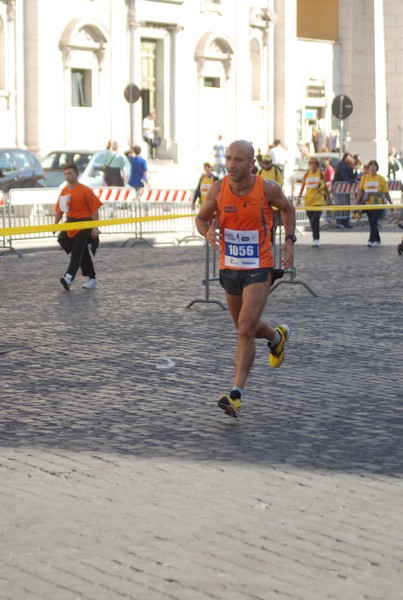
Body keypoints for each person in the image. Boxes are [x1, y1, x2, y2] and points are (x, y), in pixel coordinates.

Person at [195, 140, 296, 418]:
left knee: (244, 328)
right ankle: (276, 337)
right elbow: (201, 218)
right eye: (228, 158)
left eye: (238, 159)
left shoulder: (267, 188)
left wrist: (289, 240)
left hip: (259, 267)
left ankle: (236, 394)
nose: (231, 164)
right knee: (244, 327)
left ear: (251, 163)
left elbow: (287, 209)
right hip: (229, 268)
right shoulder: (218, 189)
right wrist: (206, 232)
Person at [55, 163, 102, 290]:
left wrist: (95, 227)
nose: (67, 176)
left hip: (85, 224)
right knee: (67, 243)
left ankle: (68, 278)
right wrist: (55, 224)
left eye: (70, 173)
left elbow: (94, 210)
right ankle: (92, 277)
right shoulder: (64, 191)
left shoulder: (85, 190)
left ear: (77, 174)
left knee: (77, 252)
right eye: (65, 174)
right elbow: (60, 210)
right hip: (70, 223)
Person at [355, 159, 392, 247]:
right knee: (372, 222)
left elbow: (386, 193)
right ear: (368, 168)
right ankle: (377, 239)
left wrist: (391, 202)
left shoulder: (381, 179)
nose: (372, 168)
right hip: (368, 204)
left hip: (378, 204)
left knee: (373, 221)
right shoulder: (364, 178)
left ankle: (371, 240)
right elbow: (361, 191)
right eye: (371, 166)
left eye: (374, 166)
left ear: (377, 168)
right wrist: (356, 202)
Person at [296, 156, 331, 247]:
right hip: (308, 201)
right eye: (311, 163)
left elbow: (326, 188)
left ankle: (317, 239)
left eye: (315, 163)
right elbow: (302, 187)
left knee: (315, 220)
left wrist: (329, 199)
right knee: (312, 221)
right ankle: (314, 239)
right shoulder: (306, 174)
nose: (313, 165)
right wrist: (298, 199)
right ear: (309, 165)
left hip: (318, 201)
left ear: (318, 165)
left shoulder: (320, 174)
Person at [332, 152, 357, 228]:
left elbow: (352, 176)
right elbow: (346, 178)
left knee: (346, 204)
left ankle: (345, 221)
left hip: (344, 189)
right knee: (340, 204)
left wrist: (354, 170)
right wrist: (354, 181)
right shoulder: (342, 166)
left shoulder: (346, 166)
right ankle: (340, 222)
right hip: (339, 189)